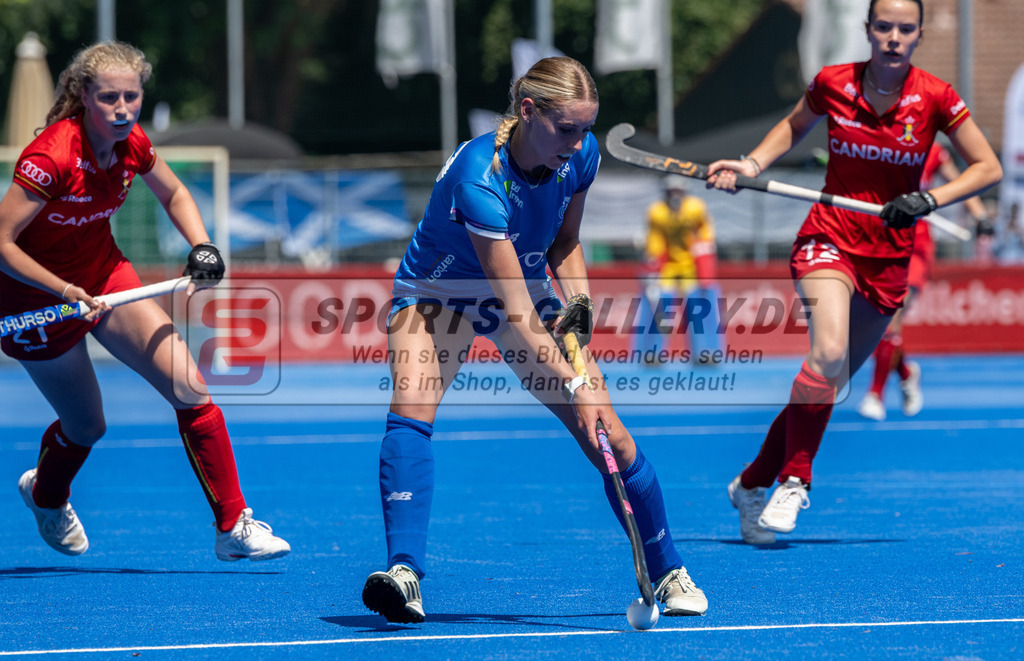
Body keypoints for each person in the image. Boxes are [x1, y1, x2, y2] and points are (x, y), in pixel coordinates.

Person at [360, 56, 707, 623]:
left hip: (522, 281)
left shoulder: (580, 155)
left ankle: (667, 569)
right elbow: (517, 310)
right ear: (528, 111)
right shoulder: (481, 179)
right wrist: (577, 378)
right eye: (566, 129)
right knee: (411, 410)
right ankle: (404, 573)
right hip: (438, 292)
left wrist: (580, 316)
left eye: (586, 129)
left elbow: (565, 244)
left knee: (608, 434)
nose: (577, 142)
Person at [706, 0, 1002, 544]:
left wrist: (930, 200)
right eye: (883, 26)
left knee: (827, 385)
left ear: (916, 36)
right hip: (829, 238)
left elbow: (989, 167)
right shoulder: (833, 83)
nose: (893, 37)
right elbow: (792, 127)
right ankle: (795, 480)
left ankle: (750, 485)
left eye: (905, 29)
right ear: (868, 30)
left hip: (890, 255)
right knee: (827, 353)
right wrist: (749, 165)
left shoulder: (937, 97)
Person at [0, 41, 290, 561]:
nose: (122, 109)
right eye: (109, 97)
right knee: (87, 426)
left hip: (105, 275)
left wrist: (201, 245)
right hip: (35, 299)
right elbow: (1, 245)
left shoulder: (132, 141)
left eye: (131, 97)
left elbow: (175, 193)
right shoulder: (51, 157)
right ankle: (45, 494)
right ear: (83, 96)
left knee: (189, 386)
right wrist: (64, 291)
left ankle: (233, 527)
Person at [857, 142, 993, 421]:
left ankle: (875, 395)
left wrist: (980, 215)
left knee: (891, 315)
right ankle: (907, 373)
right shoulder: (871, 142)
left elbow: (961, 181)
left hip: (915, 248)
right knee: (876, 323)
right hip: (874, 244)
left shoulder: (931, 152)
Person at [633, 175, 722, 363]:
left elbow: (705, 240)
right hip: (669, 267)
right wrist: (651, 270)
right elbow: (655, 244)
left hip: (691, 267)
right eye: (670, 192)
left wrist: (705, 272)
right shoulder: (657, 212)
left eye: (678, 192)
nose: (675, 196)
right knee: (658, 303)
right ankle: (651, 353)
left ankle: (707, 352)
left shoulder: (696, 208)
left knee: (700, 305)